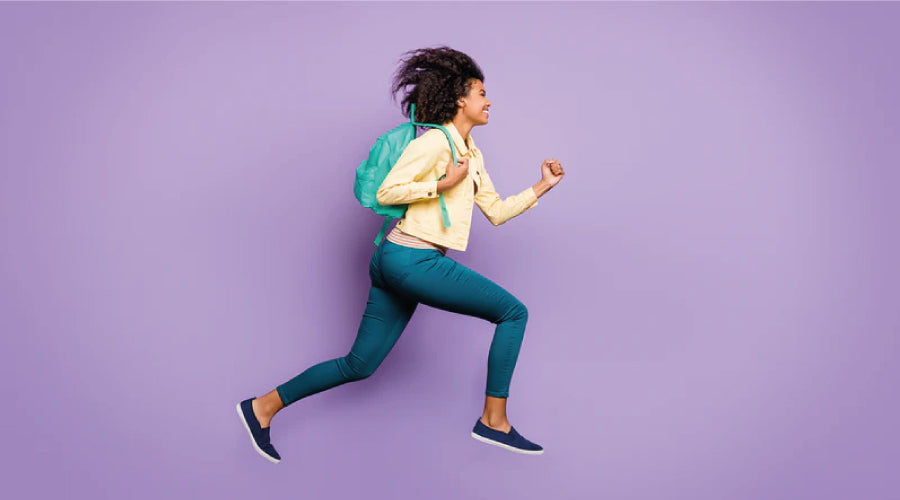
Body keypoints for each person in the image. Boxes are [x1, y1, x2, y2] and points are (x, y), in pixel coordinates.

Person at [237, 46, 565, 463]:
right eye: (482, 93)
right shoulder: (435, 143)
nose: (489, 101)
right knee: (513, 313)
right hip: (412, 260)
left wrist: (542, 187)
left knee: (359, 364)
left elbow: (496, 212)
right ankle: (493, 421)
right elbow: (387, 191)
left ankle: (262, 407)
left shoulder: (472, 154)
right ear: (461, 99)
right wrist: (441, 186)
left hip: (397, 260)